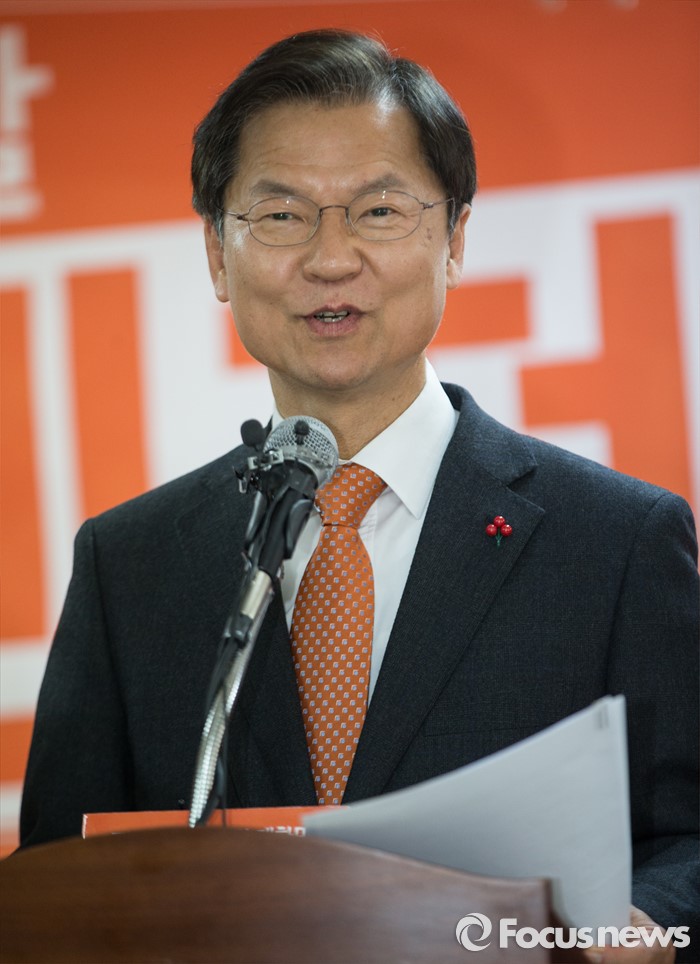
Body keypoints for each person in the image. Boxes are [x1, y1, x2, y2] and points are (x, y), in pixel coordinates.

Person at [20, 29, 698, 963]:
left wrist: (649, 927)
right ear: (217, 254)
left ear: (454, 240)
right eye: (281, 215)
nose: (330, 259)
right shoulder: (130, 565)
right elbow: (55, 881)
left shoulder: (615, 541)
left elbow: (688, 841)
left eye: (378, 211)